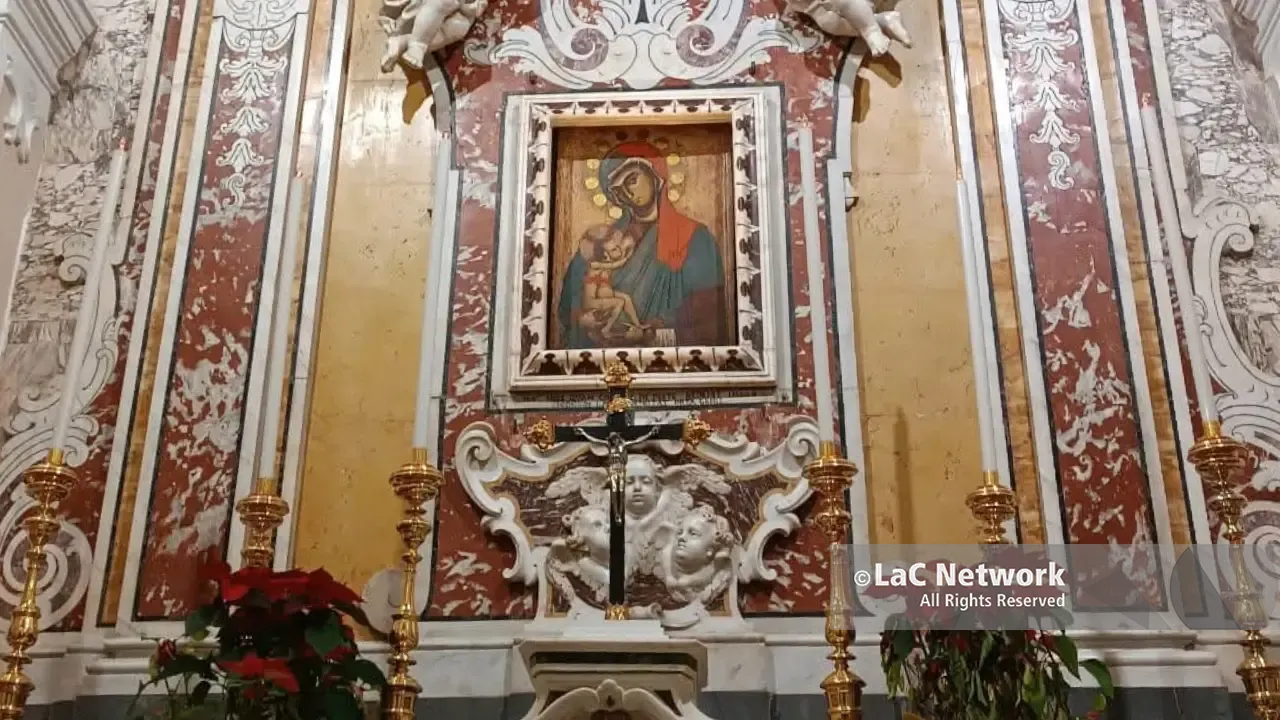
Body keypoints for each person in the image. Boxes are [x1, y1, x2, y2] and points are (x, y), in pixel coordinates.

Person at [558, 141, 727, 347]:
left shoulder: (695, 238)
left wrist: (650, 335)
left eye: (631, 180)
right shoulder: (600, 242)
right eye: (618, 190)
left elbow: (709, 321)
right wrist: (585, 320)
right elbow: (570, 305)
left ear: (654, 174)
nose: (627, 193)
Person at [577, 225, 647, 339]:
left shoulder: (605, 264)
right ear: (604, 254)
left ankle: (638, 325)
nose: (618, 250)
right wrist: (627, 257)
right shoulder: (595, 265)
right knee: (619, 302)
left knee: (626, 298)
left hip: (604, 296)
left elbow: (618, 261)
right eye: (614, 249)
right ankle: (606, 329)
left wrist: (629, 250)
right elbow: (617, 264)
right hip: (592, 301)